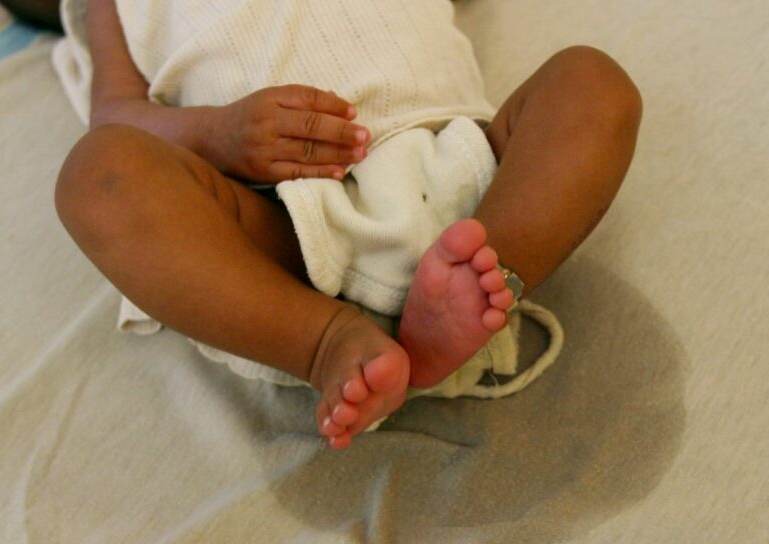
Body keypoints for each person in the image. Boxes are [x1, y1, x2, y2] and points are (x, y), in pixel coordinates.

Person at [54, 0, 642, 450]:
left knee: (592, 82)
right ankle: (326, 341)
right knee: (98, 174)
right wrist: (216, 134)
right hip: (283, 224)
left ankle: (483, 270)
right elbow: (116, 115)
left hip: (460, 165)